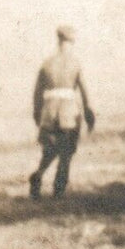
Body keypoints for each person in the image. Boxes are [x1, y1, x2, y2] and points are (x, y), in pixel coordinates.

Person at [29, 25, 95, 199]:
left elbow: (37, 94)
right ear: (71, 42)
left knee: (49, 149)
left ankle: (39, 174)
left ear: (58, 41)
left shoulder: (47, 63)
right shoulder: (75, 63)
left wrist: (37, 115)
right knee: (66, 152)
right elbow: (84, 92)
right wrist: (89, 115)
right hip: (69, 113)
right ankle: (58, 190)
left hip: (49, 112)